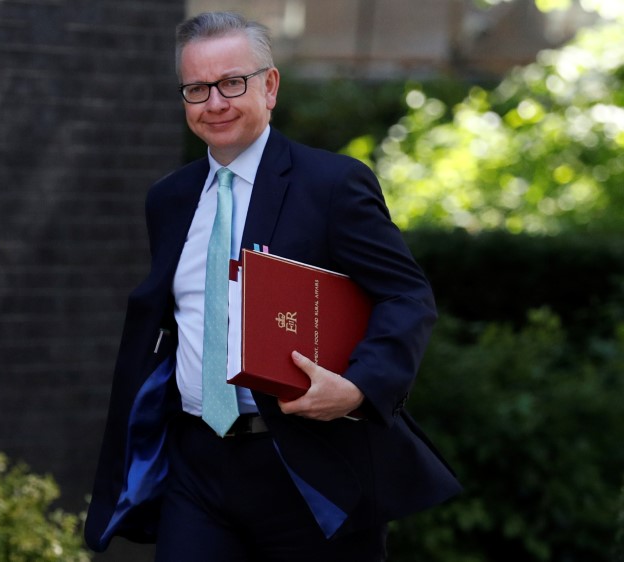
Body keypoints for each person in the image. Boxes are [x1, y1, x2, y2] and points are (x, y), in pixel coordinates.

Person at [85, 11, 461, 562]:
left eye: (232, 83)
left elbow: (406, 296)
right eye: (197, 89)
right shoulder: (168, 199)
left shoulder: (332, 185)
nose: (215, 102)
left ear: (270, 85)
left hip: (307, 465)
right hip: (197, 463)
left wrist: (358, 387)